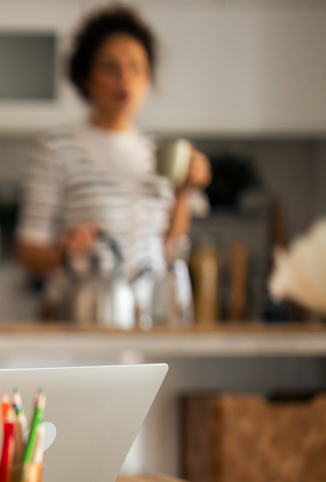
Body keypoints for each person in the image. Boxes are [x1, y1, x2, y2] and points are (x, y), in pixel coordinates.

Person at [16, 4, 211, 279]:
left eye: (136, 68)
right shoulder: (57, 150)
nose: (125, 81)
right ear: (86, 77)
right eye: (110, 68)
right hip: (84, 311)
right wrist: (65, 253)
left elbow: (167, 252)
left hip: (148, 316)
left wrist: (183, 194)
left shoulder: (156, 153)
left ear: (148, 78)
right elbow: (28, 250)